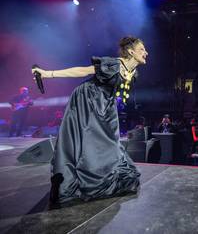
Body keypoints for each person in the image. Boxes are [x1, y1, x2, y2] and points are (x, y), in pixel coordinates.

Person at [32, 36, 148, 204]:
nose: (146, 52)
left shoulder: (133, 72)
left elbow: (117, 89)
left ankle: (104, 171)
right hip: (87, 98)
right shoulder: (115, 64)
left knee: (111, 139)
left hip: (105, 104)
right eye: (142, 49)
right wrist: (48, 74)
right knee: (89, 138)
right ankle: (84, 175)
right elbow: (83, 71)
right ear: (131, 51)